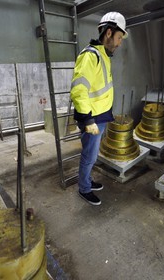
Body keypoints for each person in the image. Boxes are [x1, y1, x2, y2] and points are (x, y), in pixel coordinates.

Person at [70, 12, 128, 206]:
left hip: (99, 116)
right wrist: (88, 120)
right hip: (91, 118)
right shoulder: (90, 56)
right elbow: (79, 89)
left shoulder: (103, 56)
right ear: (109, 33)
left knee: (92, 154)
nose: (119, 43)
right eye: (119, 37)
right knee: (89, 155)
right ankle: (84, 188)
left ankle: (87, 181)